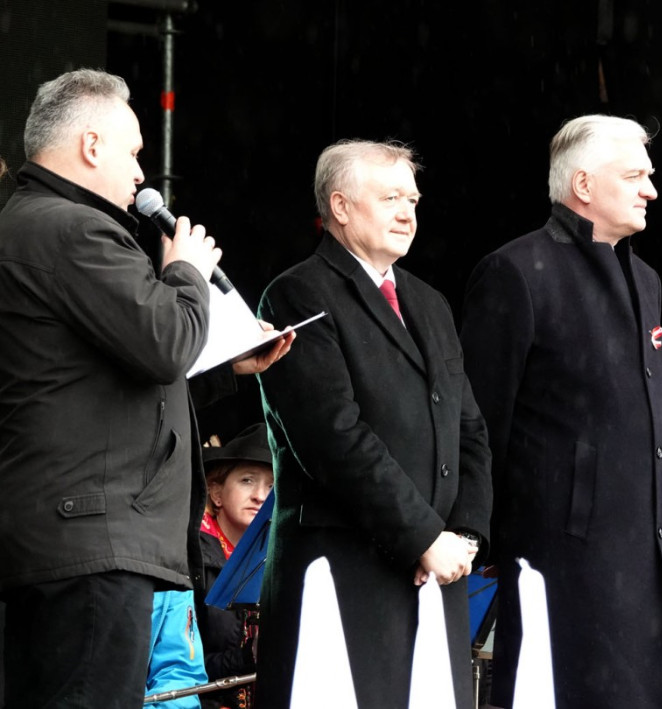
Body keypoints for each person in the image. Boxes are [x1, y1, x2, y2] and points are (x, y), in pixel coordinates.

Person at [460, 115, 662, 708]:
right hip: (567, 561)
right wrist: (485, 533)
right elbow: (482, 422)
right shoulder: (515, 270)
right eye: (635, 175)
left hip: (656, 552)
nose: (651, 190)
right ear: (584, 184)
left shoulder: (646, 278)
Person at [0, 69, 221, 708]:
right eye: (133, 152)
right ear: (91, 146)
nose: (141, 174)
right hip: (90, 541)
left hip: (63, 536)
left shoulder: (30, 223)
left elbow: (109, 380)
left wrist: (227, 364)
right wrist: (186, 273)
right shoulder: (74, 229)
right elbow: (164, 343)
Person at [254, 139, 492, 708]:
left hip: (439, 571)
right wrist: (423, 537)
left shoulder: (429, 302)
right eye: (390, 198)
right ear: (339, 206)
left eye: (412, 200)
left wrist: (463, 535)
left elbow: (470, 430)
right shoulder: (298, 294)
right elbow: (333, 438)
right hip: (346, 574)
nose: (408, 213)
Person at [197, 423, 275, 709]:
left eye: (272, 486)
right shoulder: (191, 557)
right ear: (216, 492)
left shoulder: (282, 561)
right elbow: (177, 667)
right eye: (247, 480)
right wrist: (247, 657)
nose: (260, 496)